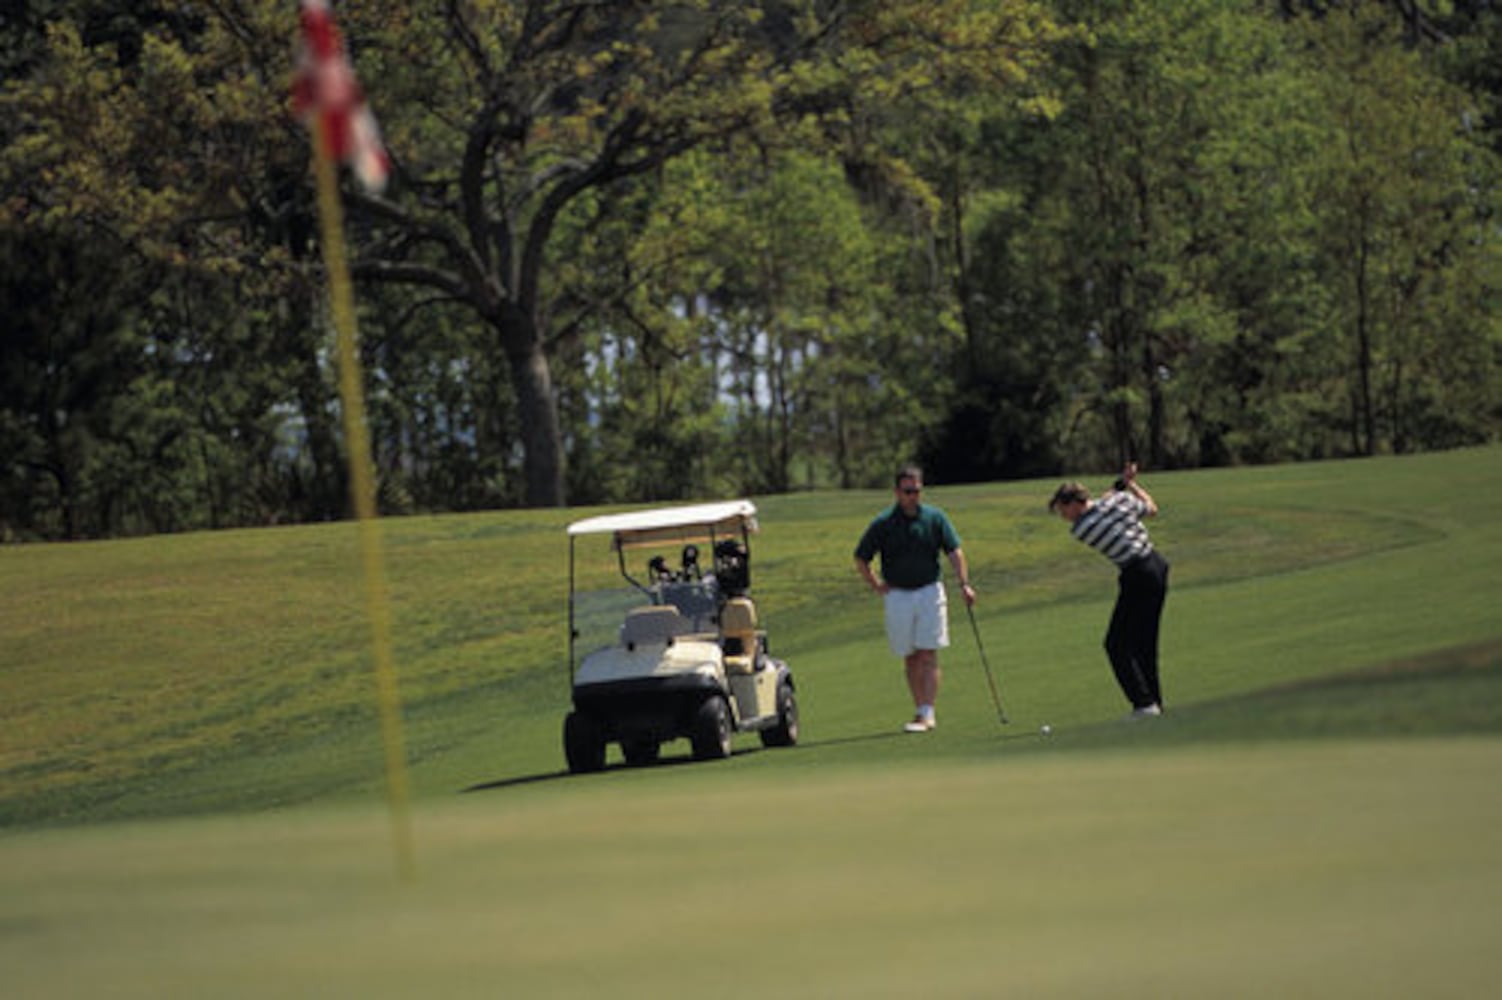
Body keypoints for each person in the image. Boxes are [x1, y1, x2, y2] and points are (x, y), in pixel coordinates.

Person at [854, 464, 976, 733]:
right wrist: (876, 585)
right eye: (908, 491)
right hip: (898, 594)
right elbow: (861, 557)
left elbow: (954, 551)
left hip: (929, 591)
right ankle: (921, 707)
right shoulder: (884, 523)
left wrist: (964, 584)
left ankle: (927, 713)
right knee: (909, 655)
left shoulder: (935, 518)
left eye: (917, 490)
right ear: (897, 492)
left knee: (928, 652)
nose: (913, 496)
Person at [1048, 463, 1170, 718]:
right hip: (1157, 567)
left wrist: (1119, 484)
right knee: (1144, 643)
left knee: (1115, 644)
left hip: (1137, 576)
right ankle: (1153, 703)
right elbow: (1151, 508)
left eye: (1063, 510)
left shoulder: (1082, 529)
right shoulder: (1122, 501)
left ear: (1074, 504)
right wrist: (1130, 485)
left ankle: (1144, 705)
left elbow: (1102, 502)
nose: (1064, 517)